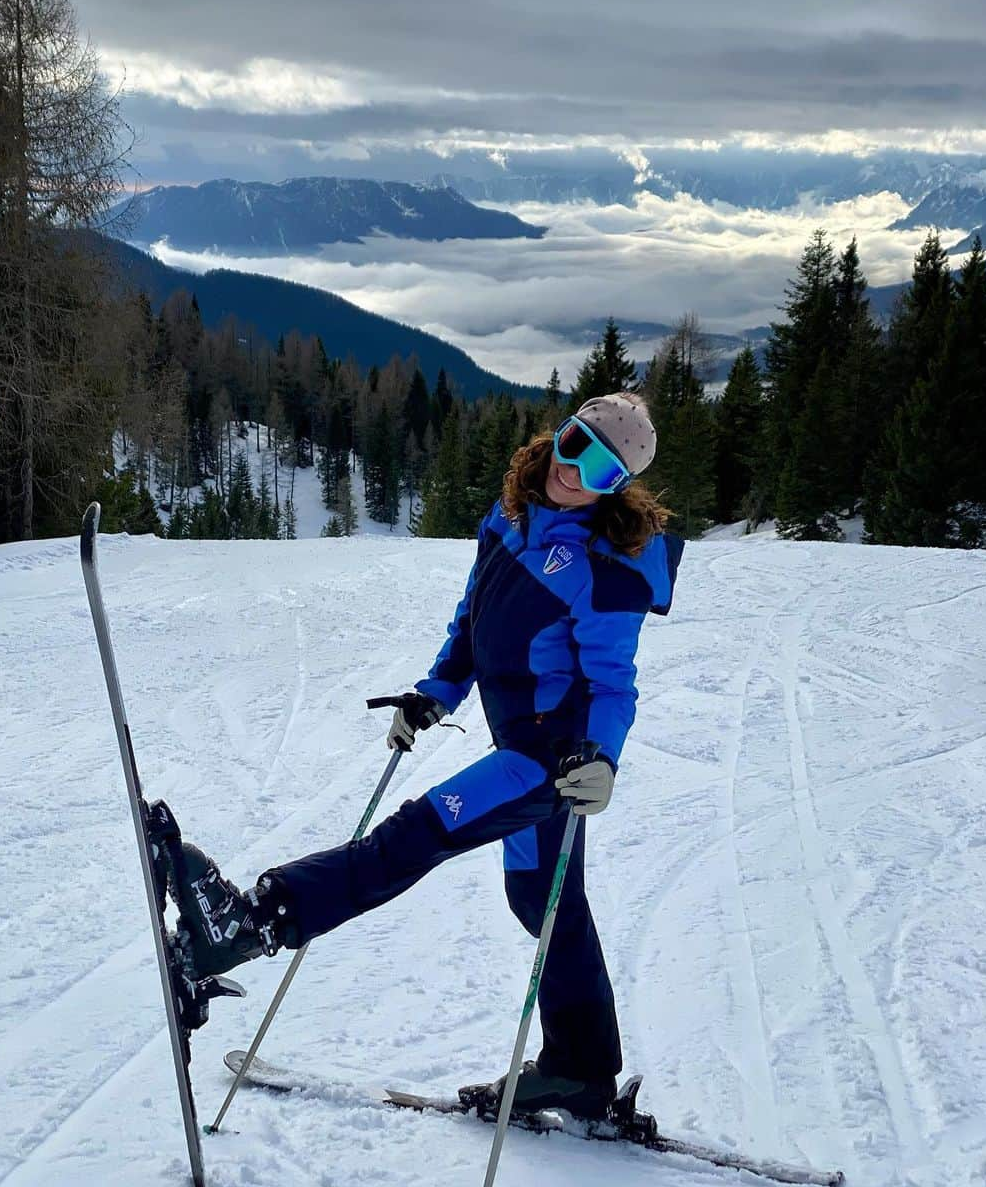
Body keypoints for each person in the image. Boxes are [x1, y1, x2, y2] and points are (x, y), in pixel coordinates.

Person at [171, 391, 683, 1120]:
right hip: (519, 745)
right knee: (543, 901)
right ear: (560, 434)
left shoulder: (608, 568)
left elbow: (612, 684)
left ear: (616, 488)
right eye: (576, 444)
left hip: (549, 764)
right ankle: (582, 1070)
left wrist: (602, 757)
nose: (576, 471)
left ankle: (252, 923)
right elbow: (476, 622)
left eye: (602, 471)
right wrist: (436, 691)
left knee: (411, 836)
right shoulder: (508, 517)